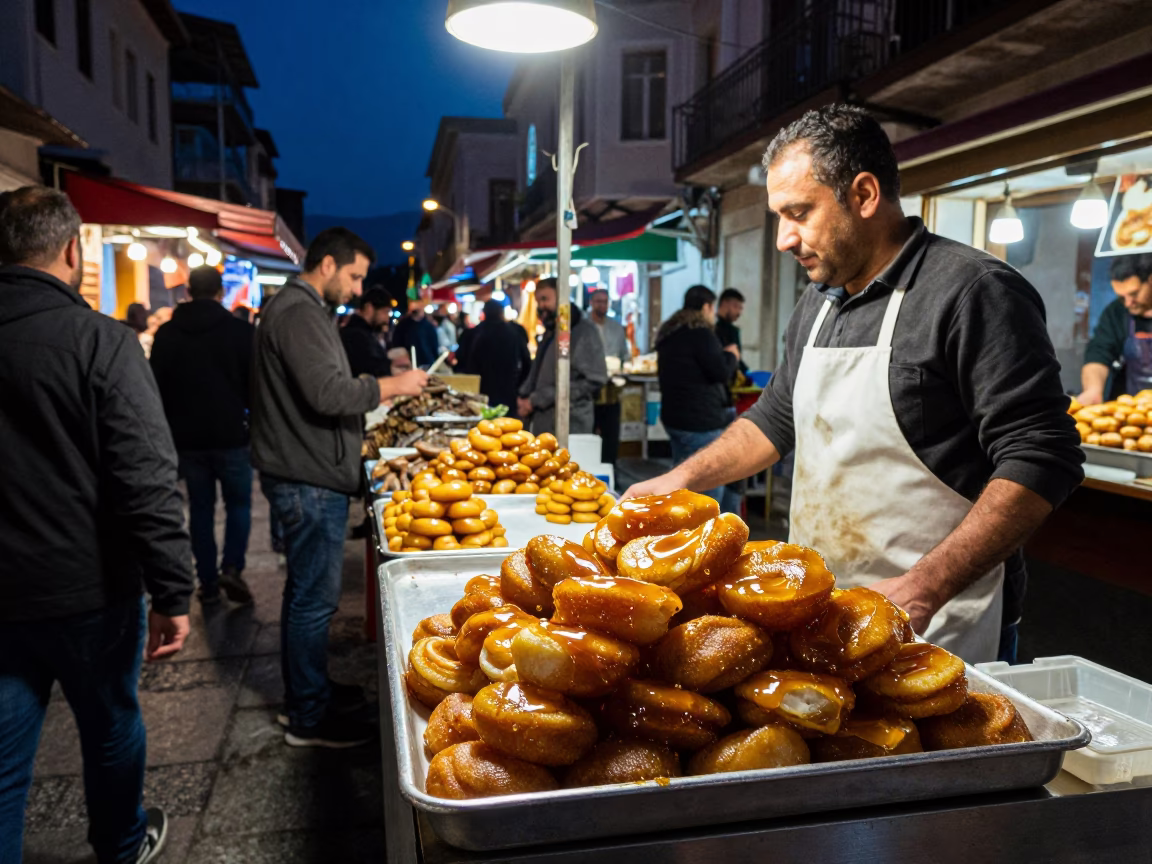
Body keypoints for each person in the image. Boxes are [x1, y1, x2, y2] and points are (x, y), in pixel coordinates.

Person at [624, 104, 1084, 664]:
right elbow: (775, 420)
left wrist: (926, 586)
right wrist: (681, 477)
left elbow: (1042, 455)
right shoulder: (819, 301)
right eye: (778, 217)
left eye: (798, 213)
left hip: (934, 622)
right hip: (815, 608)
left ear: (864, 195)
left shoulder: (971, 292)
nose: (782, 240)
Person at [0, 186, 193, 863]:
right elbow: (143, 476)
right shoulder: (97, 341)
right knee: (110, 721)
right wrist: (173, 592)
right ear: (73, 250)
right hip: (88, 586)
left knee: (2, 760)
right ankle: (119, 845)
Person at [251, 227, 428, 747]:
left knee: (304, 595)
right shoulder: (300, 312)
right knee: (313, 600)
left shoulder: (300, 309)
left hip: (304, 469)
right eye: (354, 277)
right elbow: (327, 392)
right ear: (326, 265)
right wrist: (392, 385)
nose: (356, 289)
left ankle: (309, 693)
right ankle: (308, 716)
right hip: (306, 476)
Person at [150, 265, 256, 606]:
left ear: (187, 292)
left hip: (187, 439)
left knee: (200, 509)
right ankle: (232, 567)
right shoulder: (240, 332)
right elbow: (254, 388)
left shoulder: (167, 334)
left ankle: (207, 580)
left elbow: (156, 388)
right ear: (220, 292)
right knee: (239, 504)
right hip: (231, 435)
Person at [654, 285, 742, 513]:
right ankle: (703, 541)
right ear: (706, 307)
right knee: (708, 490)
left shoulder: (670, 332)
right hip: (700, 422)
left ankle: (679, 535)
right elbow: (720, 372)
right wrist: (731, 356)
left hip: (675, 419)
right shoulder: (701, 333)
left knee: (683, 481)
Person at [518, 278, 608, 436]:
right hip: (545, 426)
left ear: (562, 297)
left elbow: (595, 379)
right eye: (538, 301)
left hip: (570, 427)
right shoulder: (552, 331)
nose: (541, 306)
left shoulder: (584, 332)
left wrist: (540, 398)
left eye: (545, 299)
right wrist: (524, 395)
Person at [1078, 253, 1152, 404]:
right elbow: (1098, 353)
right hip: (1135, 414)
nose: (1128, 303)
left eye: (1134, 294)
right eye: (1121, 296)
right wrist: (1093, 390)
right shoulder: (1117, 312)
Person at [465, 299, 532, 416]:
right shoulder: (515, 332)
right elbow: (527, 363)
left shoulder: (474, 334)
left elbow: (468, 367)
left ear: (484, 313)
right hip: (509, 394)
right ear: (501, 313)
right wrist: (520, 388)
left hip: (482, 395)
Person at [588, 288, 629, 464]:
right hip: (588, 390)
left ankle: (610, 468)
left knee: (611, 434)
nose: (602, 305)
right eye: (598, 301)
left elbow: (624, 356)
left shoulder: (616, 328)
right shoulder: (583, 326)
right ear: (591, 303)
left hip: (612, 389)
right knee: (589, 434)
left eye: (605, 302)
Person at [340, 286, 393, 378]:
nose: (387, 319)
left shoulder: (365, 333)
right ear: (369, 308)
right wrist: (392, 364)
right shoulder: (355, 336)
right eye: (385, 312)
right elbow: (368, 369)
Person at [715, 287, 750, 379]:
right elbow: (735, 360)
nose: (739, 312)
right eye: (735, 306)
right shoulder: (729, 331)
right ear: (724, 304)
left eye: (740, 308)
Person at [392, 302, 439, 367]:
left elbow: (434, 344)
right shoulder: (403, 325)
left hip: (427, 361)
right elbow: (397, 342)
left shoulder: (428, 325)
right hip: (409, 362)